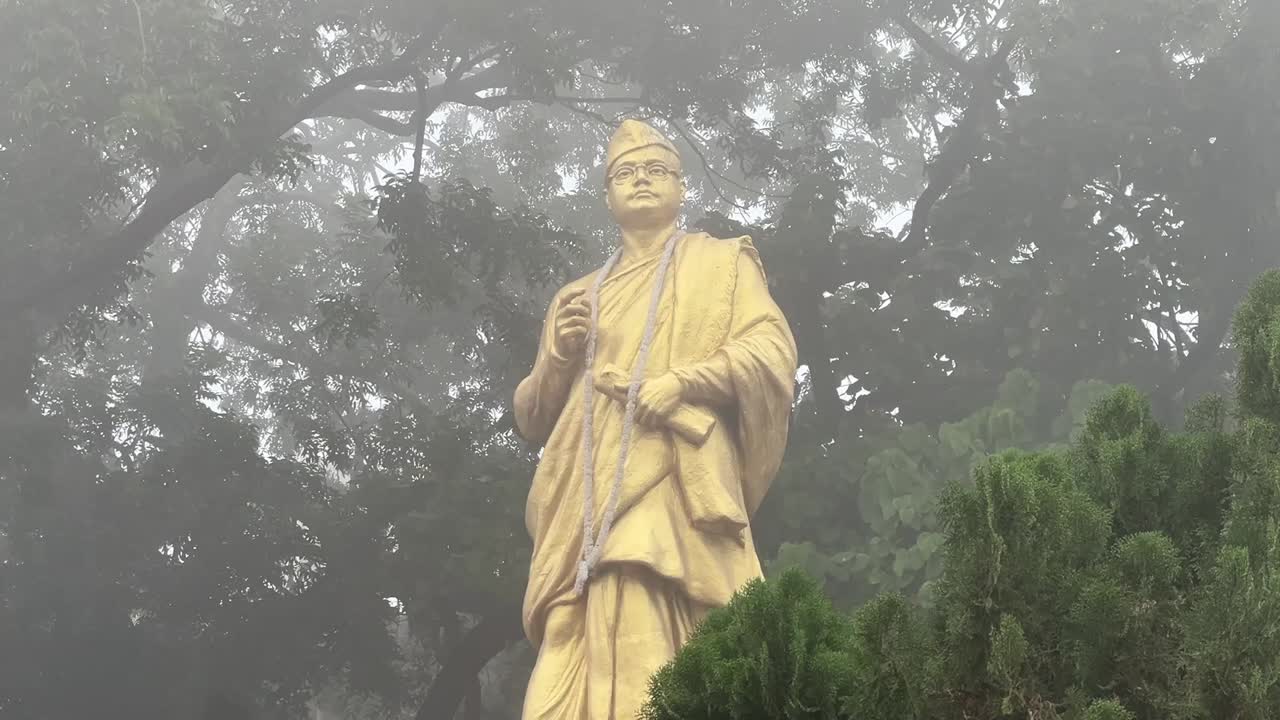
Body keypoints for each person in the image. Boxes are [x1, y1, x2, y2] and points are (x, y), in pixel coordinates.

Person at [514, 118, 797, 720]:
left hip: (669, 471)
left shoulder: (720, 264)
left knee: (635, 578)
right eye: (625, 174)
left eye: (656, 170)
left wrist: (684, 382)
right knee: (566, 626)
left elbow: (771, 352)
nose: (640, 181)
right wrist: (558, 359)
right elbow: (534, 417)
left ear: (679, 186)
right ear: (608, 194)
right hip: (580, 486)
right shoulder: (579, 295)